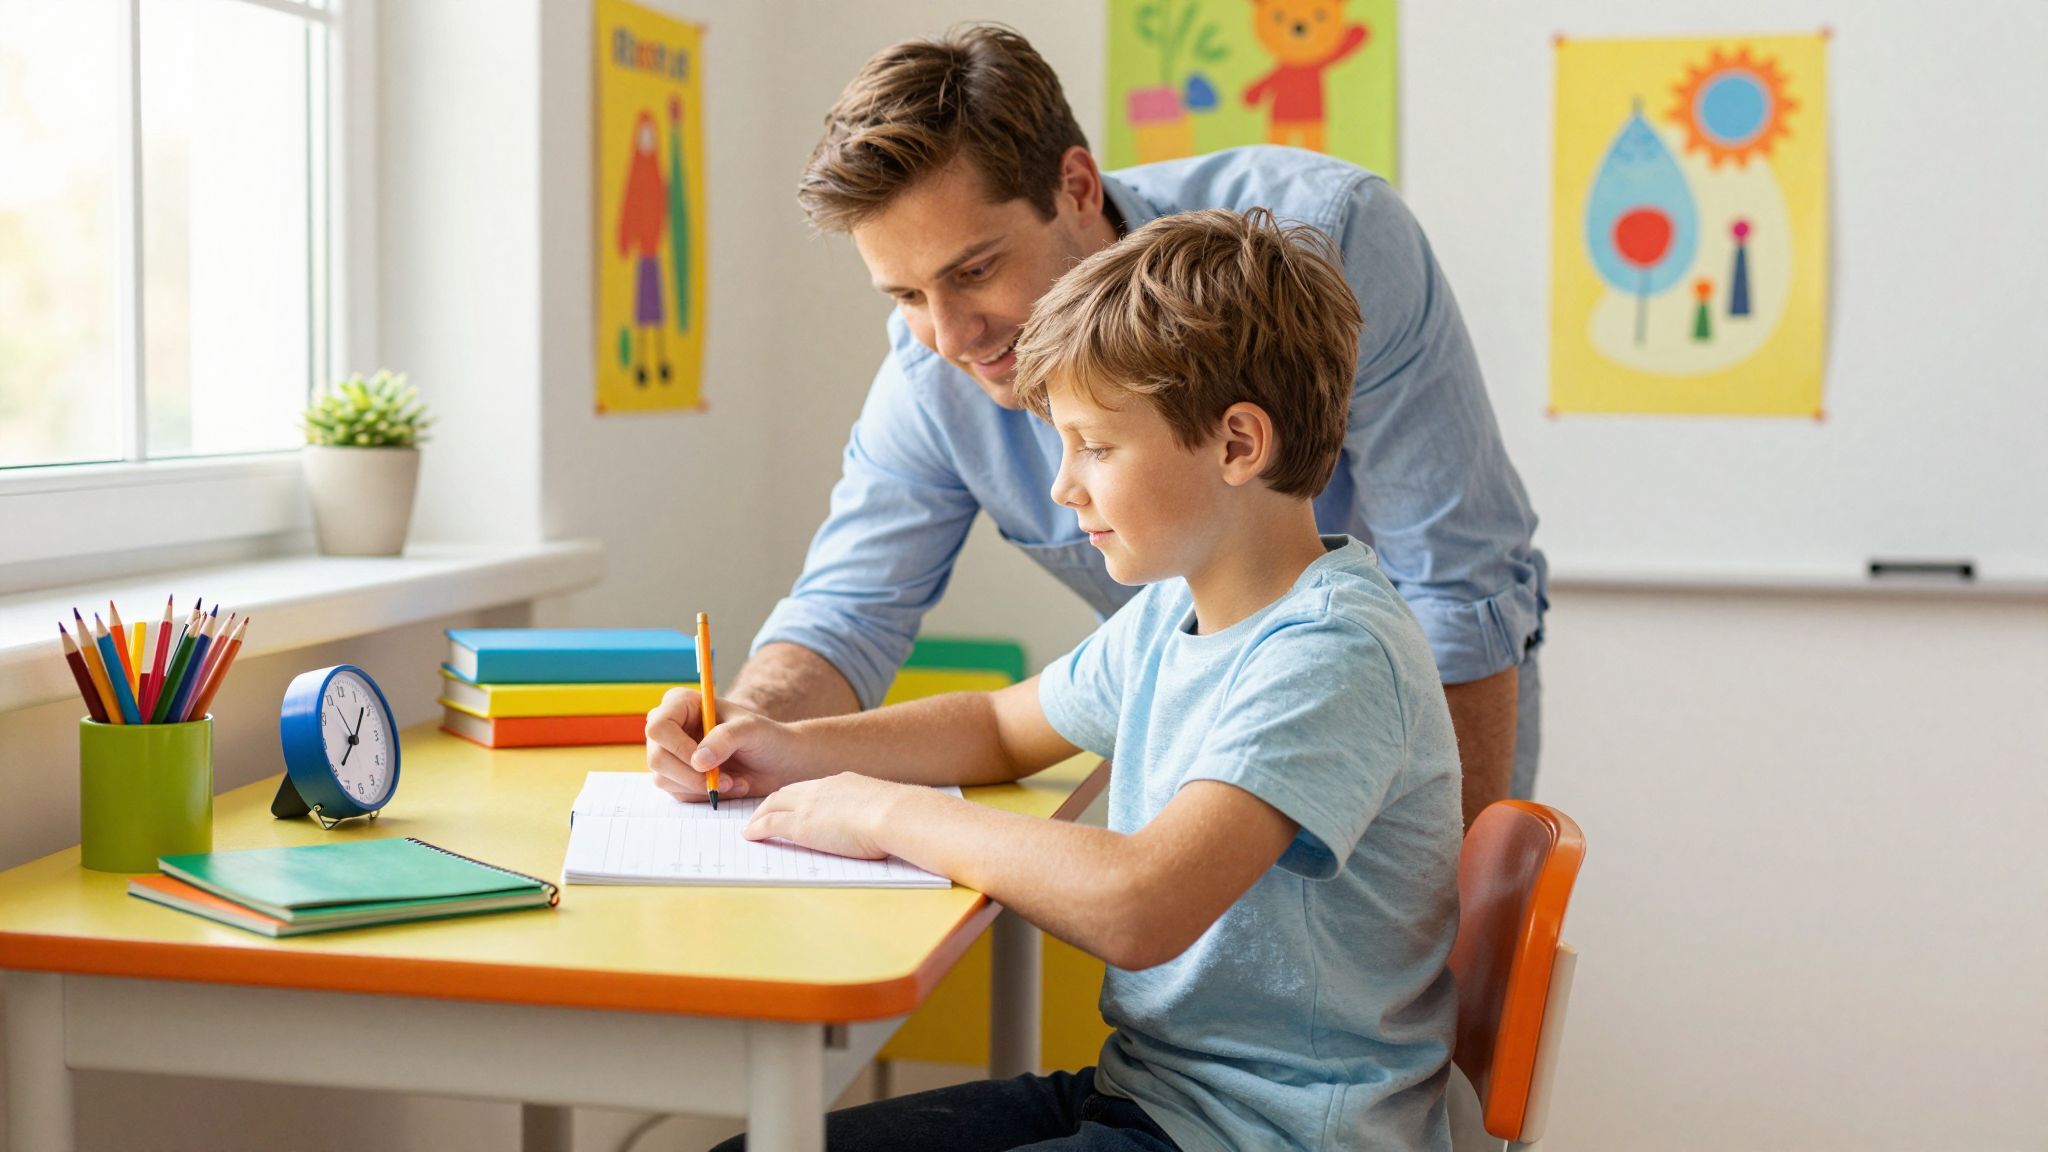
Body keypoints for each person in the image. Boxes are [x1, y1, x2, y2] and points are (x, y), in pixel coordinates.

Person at [669, 208, 1461, 1152]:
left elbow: (1142, 904)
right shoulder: (1178, 611)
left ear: (1238, 445)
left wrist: (885, 813)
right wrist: (793, 750)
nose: (1063, 486)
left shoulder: (1330, 651)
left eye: (1097, 446)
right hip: (1157, 1096)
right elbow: (1003, 727)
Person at [703, 25, 1544, 827]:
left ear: (1076, 188)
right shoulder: (935, 376)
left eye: (975, 270)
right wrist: (740, 728)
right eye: (907, 296)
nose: (950, 336)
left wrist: (1459, 920)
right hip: (1197, 720)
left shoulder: (1326, 241)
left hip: (1420, 700)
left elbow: (1456, 589)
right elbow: (846, 616)